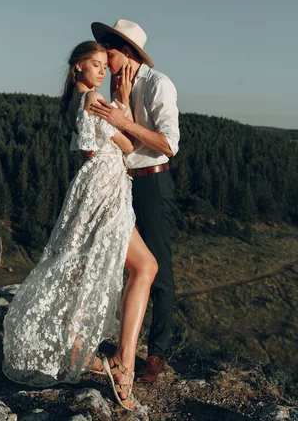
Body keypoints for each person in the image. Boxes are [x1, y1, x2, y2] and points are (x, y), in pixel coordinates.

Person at [2, 40, 158, 410]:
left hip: (99, 188)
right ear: (78, 68)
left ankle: (86, 353)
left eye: (106, 65)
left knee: (84, 268)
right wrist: (122, 101)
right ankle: (124, 365)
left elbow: (97, 144)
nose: (103, 70)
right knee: (142, 267)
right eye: (96, 64)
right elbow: (129, 145)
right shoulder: (92, 100)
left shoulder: (78, 100)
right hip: (104, 191)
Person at [90, 19, 180, 383]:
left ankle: (157, 354)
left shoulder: (159, 84)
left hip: (153, 185)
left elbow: (169, 144)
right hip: (122, 184)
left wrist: (122, 121)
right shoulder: (115, 83)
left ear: (126, 52)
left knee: (157, 269)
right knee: (124, 265)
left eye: (109, 54)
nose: (105, 61)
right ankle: (124, 348)